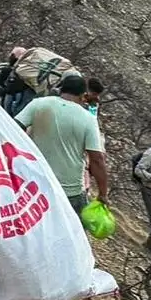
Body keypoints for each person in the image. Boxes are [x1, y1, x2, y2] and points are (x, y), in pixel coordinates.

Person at [15, 74, 107, 213]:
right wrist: (103, 193)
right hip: (68, 190)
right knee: (73, 232)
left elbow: (13, 128)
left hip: (32, 179)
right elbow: (96, 159)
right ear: (83, 95)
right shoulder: (88, 119)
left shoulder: (38, 103)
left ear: (62, 88)